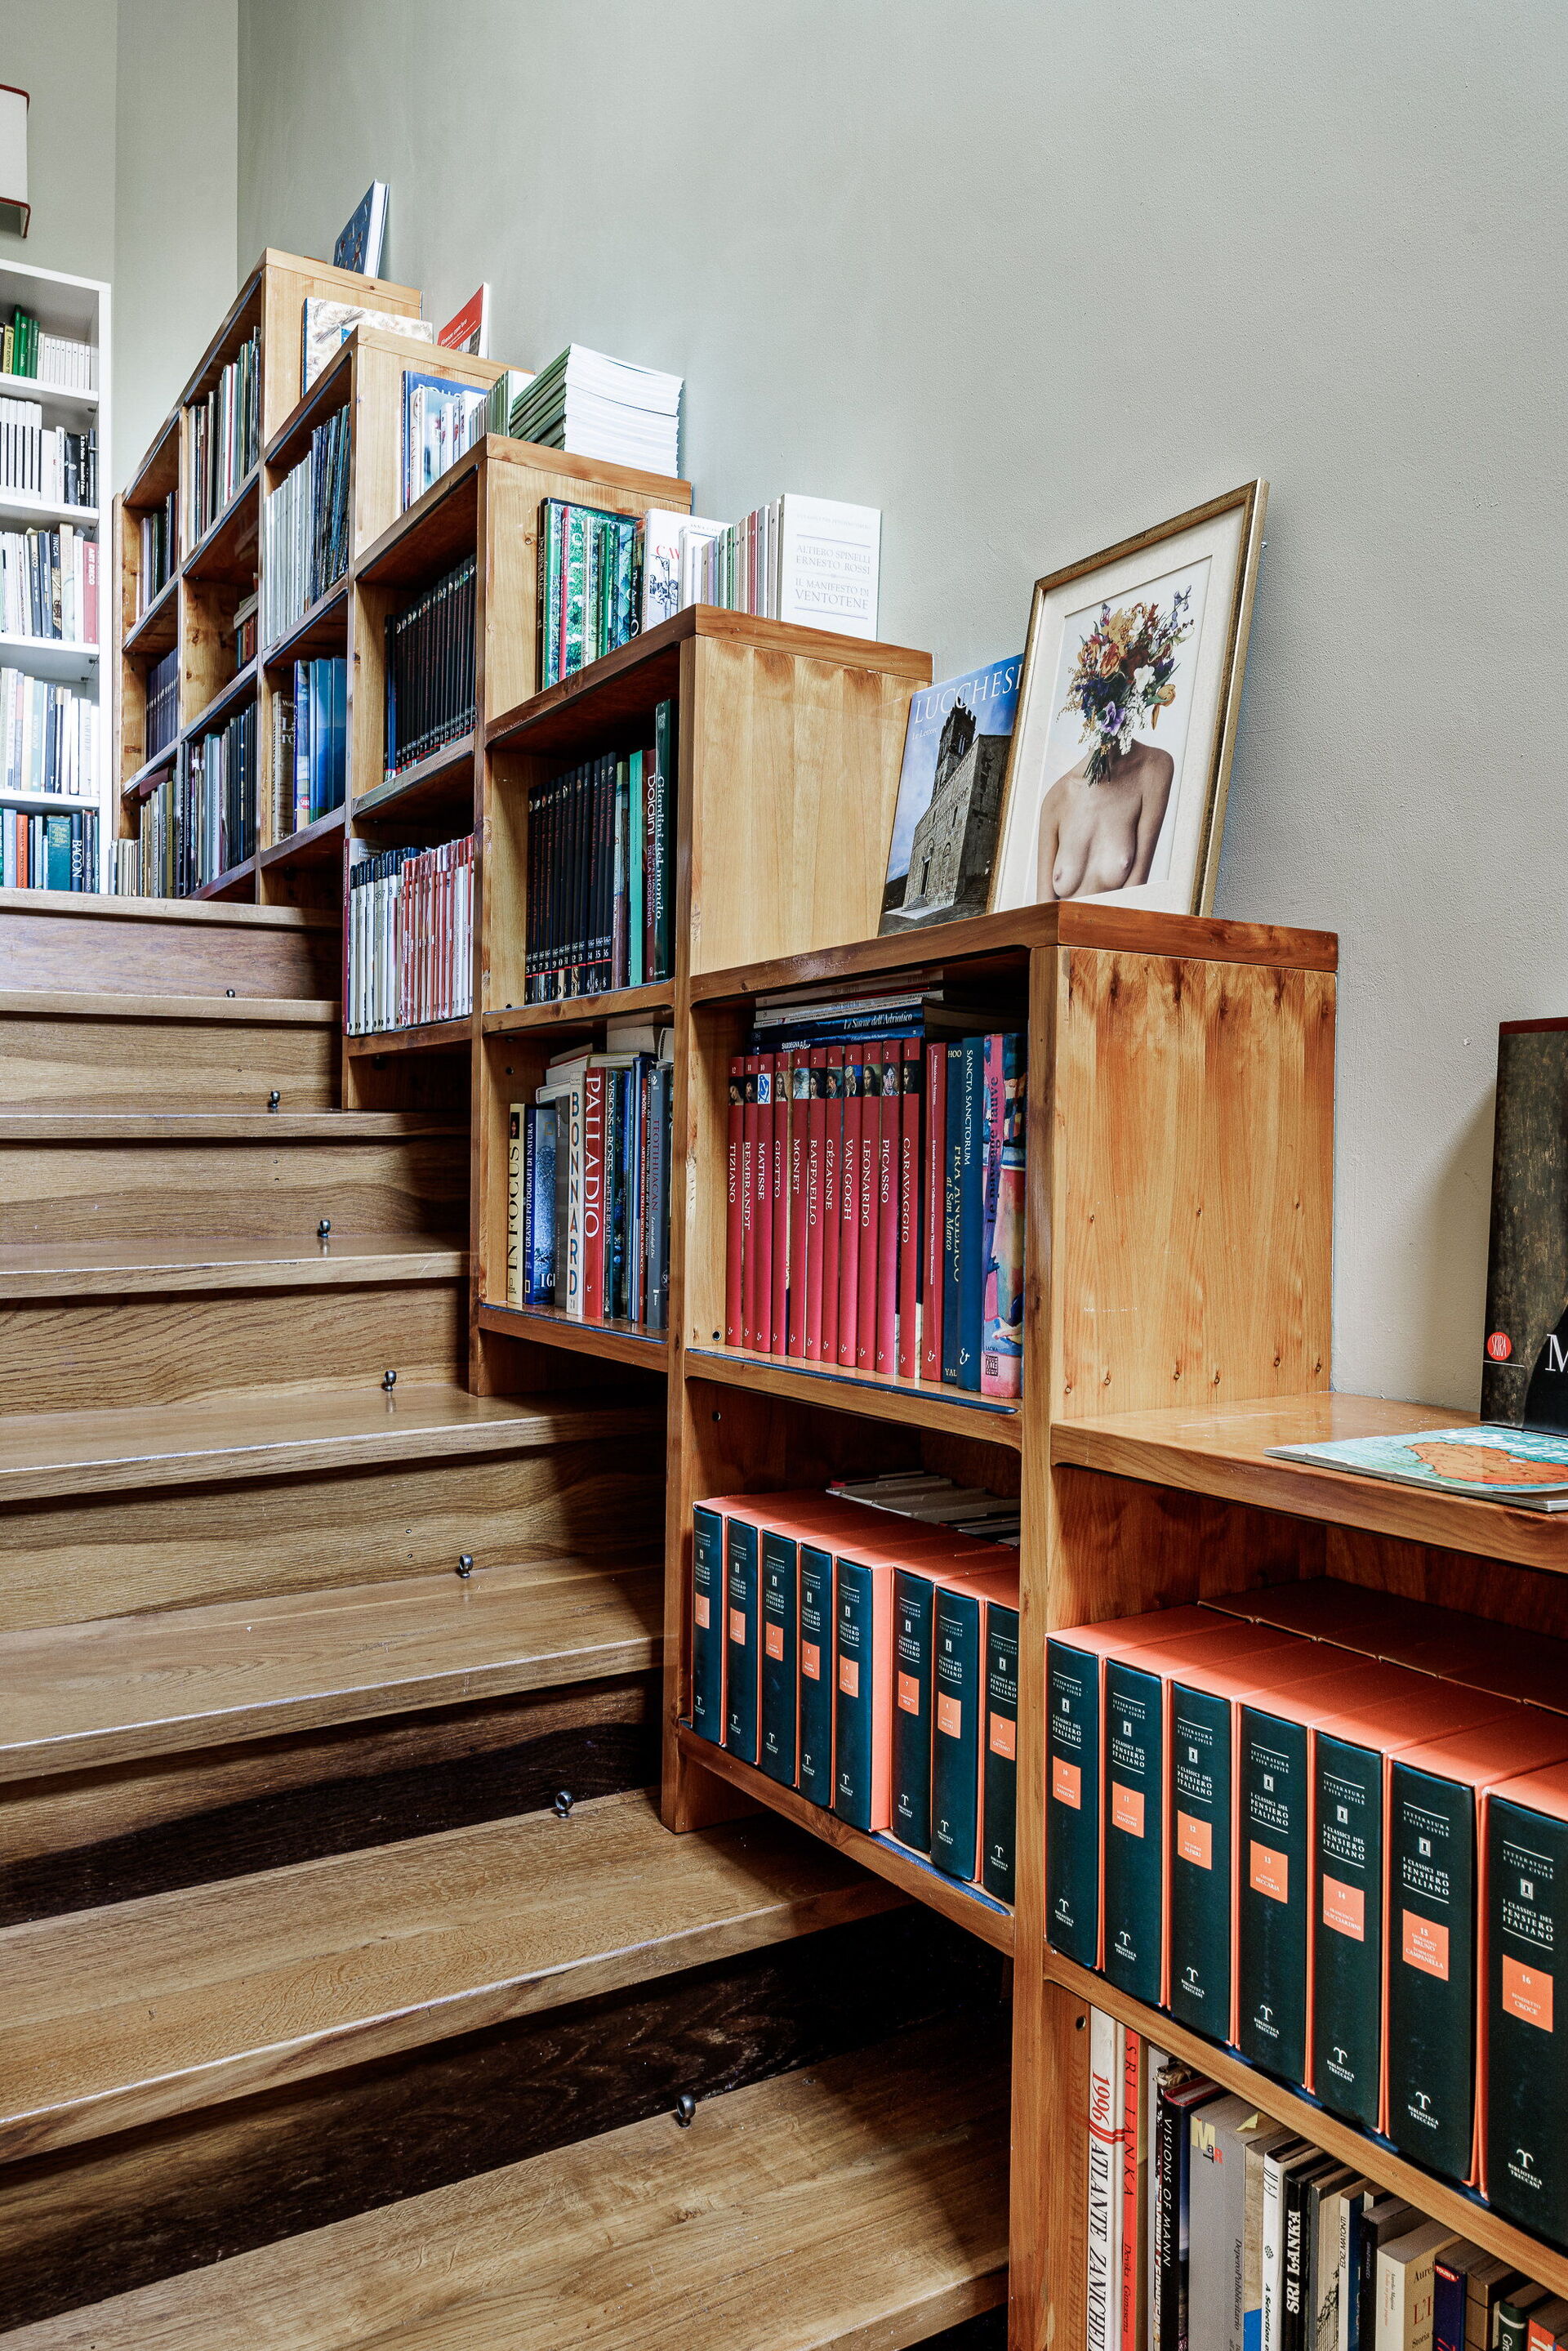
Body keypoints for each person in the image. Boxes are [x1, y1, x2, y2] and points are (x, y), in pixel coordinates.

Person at [1034, 732, 1173, 901]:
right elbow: (1043, 909)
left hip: (1117, 918)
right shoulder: (1056, 797)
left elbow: (1133, 896)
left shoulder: (1155, 767)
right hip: (1058, 919)